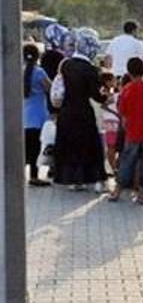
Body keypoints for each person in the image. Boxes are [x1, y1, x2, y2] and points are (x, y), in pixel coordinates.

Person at [52, 28, 108, 192]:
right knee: (91, 146)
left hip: (66, 112)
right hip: (83, 112)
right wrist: (106, 96)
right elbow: (96, 95)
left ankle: (73, 180)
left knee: (71, 146)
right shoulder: (89, 69)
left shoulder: (66, 65)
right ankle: (96, 179)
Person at [109, 57, 143, 205]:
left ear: (129, 72)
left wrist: (126, 129)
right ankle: (142, 193)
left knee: (127, 161)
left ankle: (117, 190)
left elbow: (123, 113)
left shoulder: (127, 89)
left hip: (132, 132)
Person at [23, 43, 51, 186]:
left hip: (23, 116)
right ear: (37, 56)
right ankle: (34, 177)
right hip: (38, 115)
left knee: (25, 148)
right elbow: (49, 87)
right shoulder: (39, 72)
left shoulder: (20, 72)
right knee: (35, 148)